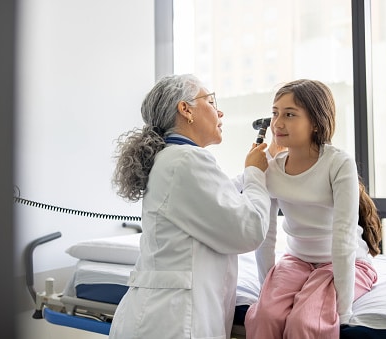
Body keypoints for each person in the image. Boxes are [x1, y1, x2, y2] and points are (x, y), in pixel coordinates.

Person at [108, 74, 271, 339]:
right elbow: (249, 230)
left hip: (156, 318)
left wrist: (250, 173)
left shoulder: (172, 160)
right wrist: (255, 176)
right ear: (185, 109)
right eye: (210, 101)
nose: (219, 111)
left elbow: (214, 199)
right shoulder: (186, 161)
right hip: (171, 324)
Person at [244, 79, 382, 339]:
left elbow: (342, 238)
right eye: (275, 113)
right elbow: (266, 234)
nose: (277, 123)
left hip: (345, 262)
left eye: (289, 114)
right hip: (297, 261)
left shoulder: (338, 163)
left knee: (305, 322)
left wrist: (342, 312)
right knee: (264, 317)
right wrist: (268, 290)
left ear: (316, 122)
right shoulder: (271, 167)